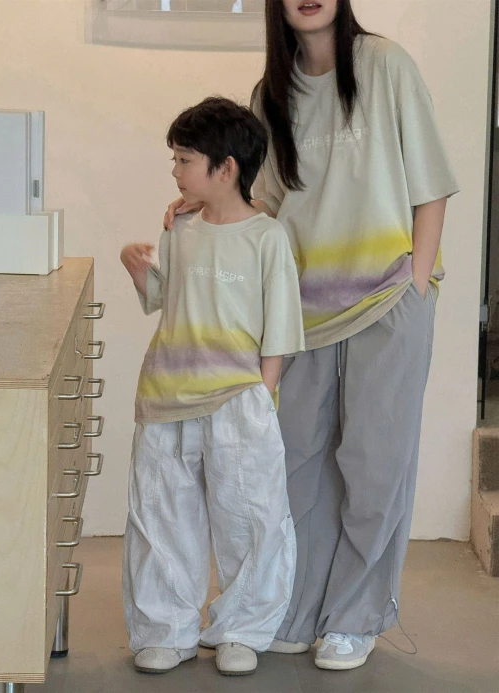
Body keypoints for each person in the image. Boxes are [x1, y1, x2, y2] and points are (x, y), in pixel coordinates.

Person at [164, 0, 459, 672]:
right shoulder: (270, 95)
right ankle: (292, 609)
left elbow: (431, 185)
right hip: (301, 311)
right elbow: (263, 203)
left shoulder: (385, 66)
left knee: (376, 466)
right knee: (293, 466)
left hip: (387, 299)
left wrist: (416, 283)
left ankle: (354, 617)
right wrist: (205, 198)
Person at [120, 97, 305, 677]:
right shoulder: (179, 228)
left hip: (238, 399)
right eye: (175, 159)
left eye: (184, 159)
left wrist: (262, 396)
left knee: (249, 516)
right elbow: (169, 298)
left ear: (225, 168)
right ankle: (165, 631)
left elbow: (281, 327)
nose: (175, 171)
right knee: (161, 516)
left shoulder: (267, 238)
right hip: (166, 395)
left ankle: (242, 630)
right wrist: (137, 266)